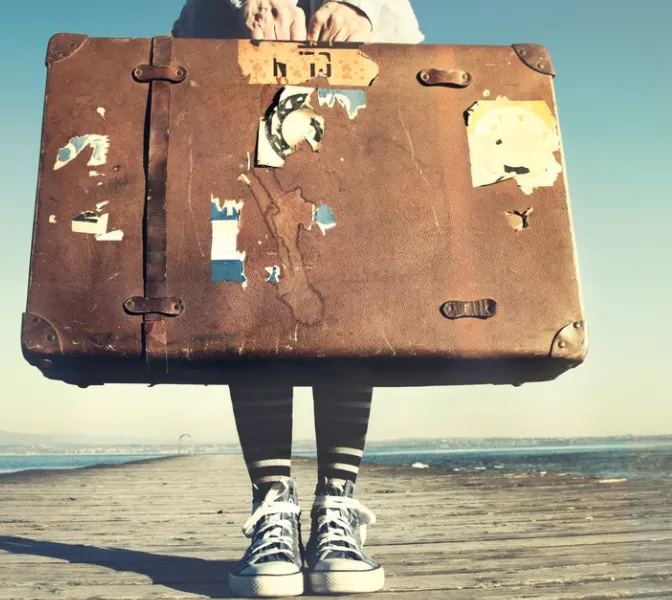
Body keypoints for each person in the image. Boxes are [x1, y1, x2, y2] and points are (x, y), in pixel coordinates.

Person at [171, 1, 425, 597]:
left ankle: (336, 506)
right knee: (244, 274)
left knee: (347, 275)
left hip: (367, 39)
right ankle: (273, 510)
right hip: (227, 34)